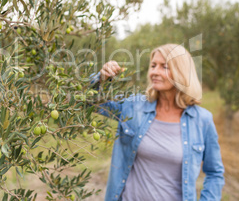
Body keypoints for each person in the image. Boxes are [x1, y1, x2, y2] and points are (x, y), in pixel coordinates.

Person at [90, 44, 224, 201]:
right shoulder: (134, 107)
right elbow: (90, 102)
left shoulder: (202, 120)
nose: (154, 72)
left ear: (181, 72)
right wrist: (100, 78)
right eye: (153, 66)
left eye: (164, 67)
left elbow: (215, 173)